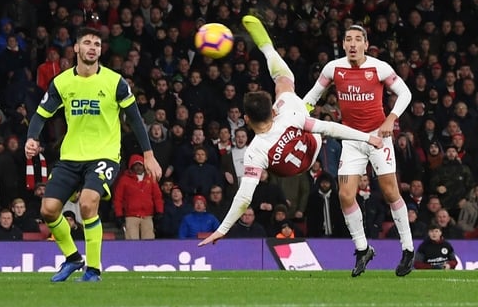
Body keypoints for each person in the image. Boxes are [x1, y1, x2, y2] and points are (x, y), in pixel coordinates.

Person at [198, 17, 382, 257]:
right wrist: (367, 137)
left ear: (245, 120)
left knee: (291, 96)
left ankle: (268, 51)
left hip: (288, 168)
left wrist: (222, 229)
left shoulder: (254, 151)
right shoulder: (286, 110)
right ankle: (266, 47)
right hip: (310, 144)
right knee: (286, 85)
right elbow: (330, 129)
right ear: (272, 111)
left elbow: (244, 198)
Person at [25, 27, 161, 282]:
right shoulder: (63, 82)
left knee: (87, 204)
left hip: (105, 156)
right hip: (70, 157)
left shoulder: (115, 82)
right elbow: (41, 115)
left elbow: (136, 119)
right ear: (76, 48)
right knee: (48, 210)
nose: (92, 48)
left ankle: (94, 270)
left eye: (97, 44)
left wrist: (148, 154)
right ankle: (73, 259)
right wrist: (32, 139)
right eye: (87, 43)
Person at [301, 23, 415, 277]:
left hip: (378, 136)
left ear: (365, 44)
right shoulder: (333, 68)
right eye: (348, 40)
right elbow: (312, 97)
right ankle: (363, 249)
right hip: (351, 138)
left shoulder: (379, 67)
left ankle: (407, 249)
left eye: (357, 40)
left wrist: (391, 119)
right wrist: (296, 112)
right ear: (343, 44)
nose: (352, 44)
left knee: (389, 192)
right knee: (345, 195)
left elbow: (405, 93)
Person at [112, 154, 163, 240]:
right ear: (131, 166)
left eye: (140, 165)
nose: (138, 167)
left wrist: (159, 212)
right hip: (131, 217)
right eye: (136, 165)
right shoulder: (124, 180)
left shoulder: (150, 178)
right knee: (131, 243)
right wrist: (119, 215)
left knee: (148, 243)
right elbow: (118, 199)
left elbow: (157, 197)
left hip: (147, 216)